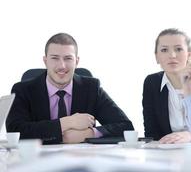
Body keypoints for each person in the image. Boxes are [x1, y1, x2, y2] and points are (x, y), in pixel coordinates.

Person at [6, 33, 134, 144]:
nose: (62, 66)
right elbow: (15, 131)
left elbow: (126, 127)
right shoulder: (23, 90)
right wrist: (66, 123)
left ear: (76, 61)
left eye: (68, 58)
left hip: (81, 161)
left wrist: (87, 134)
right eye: (55, 58)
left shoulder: (91, 88)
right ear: (45, 61)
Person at [142, 28, 191, 143]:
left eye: (179, 49)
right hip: (167, 151)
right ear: (156, 57)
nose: (172, 55)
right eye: (164, 50)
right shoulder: (152, 82)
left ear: (189, 55)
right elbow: (151, 133)